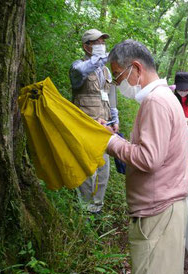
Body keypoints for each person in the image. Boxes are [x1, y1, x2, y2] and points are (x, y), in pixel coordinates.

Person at [106, 39, 188, 274]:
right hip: (165, 208)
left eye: (118, 75)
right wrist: (115, 138)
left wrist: (111, 143)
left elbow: (149, 158)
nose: (118, 84)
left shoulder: (156, 101)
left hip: (158, 213)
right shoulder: (166, 97)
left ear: (136, 68)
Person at [69, 29, 119, 213]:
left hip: (103, 126)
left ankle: (96, 208)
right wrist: (100, 58)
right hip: (85, 125)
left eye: (102, 42)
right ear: (86, 46)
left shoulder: (105, 70)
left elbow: (111, 94)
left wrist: (115, 118)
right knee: (87, 168)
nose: (101, 45)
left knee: (103, 169)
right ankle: (84, 208)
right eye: (96, 42)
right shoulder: (78, 67)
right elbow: (81, 71)